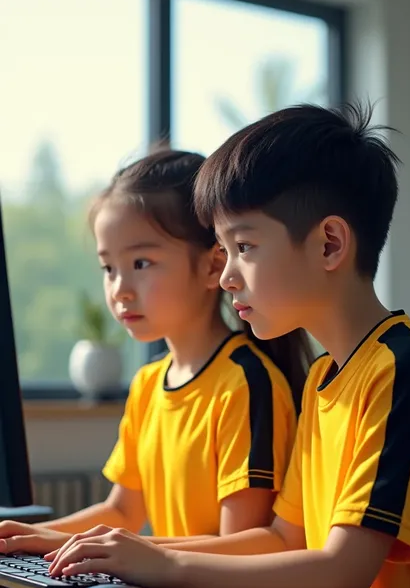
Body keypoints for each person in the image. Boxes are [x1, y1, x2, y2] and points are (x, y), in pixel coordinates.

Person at [35, 105, 410, 588]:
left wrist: (164, 564)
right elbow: (285, 541)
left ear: (330, 245)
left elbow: (340, 576)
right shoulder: (323, 377)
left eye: (244, 247)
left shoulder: (405, 368)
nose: (225, 275)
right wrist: (123, 552)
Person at [0, 148, 313, 555]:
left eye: (141, 263)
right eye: (108, 268)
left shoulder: (246, 384)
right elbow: (122, 511)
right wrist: (23, 538)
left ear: (211, 267)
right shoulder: (148, 385)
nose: (120, 290)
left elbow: (241, 545)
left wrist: (107, 549)